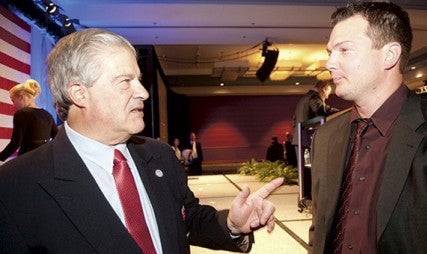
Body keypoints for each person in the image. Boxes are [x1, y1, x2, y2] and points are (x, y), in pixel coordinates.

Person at [0, 28, 284, 253]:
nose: (143, 93)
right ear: (79, 93)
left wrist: (233, 225)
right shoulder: (15, 185)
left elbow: (187, 221)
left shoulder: (159, 156)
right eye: (125, 81)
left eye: (138, 79)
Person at [309, 2, 427, 253]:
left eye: (344, 50)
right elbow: (319, 228)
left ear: (389, 55)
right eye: (329, 52)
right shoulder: (325, 136)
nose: (329, 63)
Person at [0, 79, 58, 161]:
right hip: (44, 159)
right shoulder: (47, 115)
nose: (13, 105)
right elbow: (57, 137)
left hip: (27, 160)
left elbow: (15, 143)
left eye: (13, 100)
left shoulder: (21, 114)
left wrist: (1, 156)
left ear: (22, 97)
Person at [291, 80, 339, 147]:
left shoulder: (305, 98)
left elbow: (294, 120)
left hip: (298, 138)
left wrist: (338, 111)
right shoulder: (314, 97)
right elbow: (320, 112)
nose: (327, 97)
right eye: (328, 93)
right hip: (307, 139)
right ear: (324, 89)